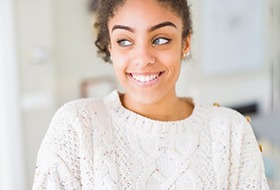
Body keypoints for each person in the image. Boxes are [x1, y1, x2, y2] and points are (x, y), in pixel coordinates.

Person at [33, 0, 269, 189]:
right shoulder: (76, 126)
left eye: (160, 39)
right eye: (125, 41)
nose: (143, 58)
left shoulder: (231, 131)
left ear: (185, 43)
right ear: (110, 48)